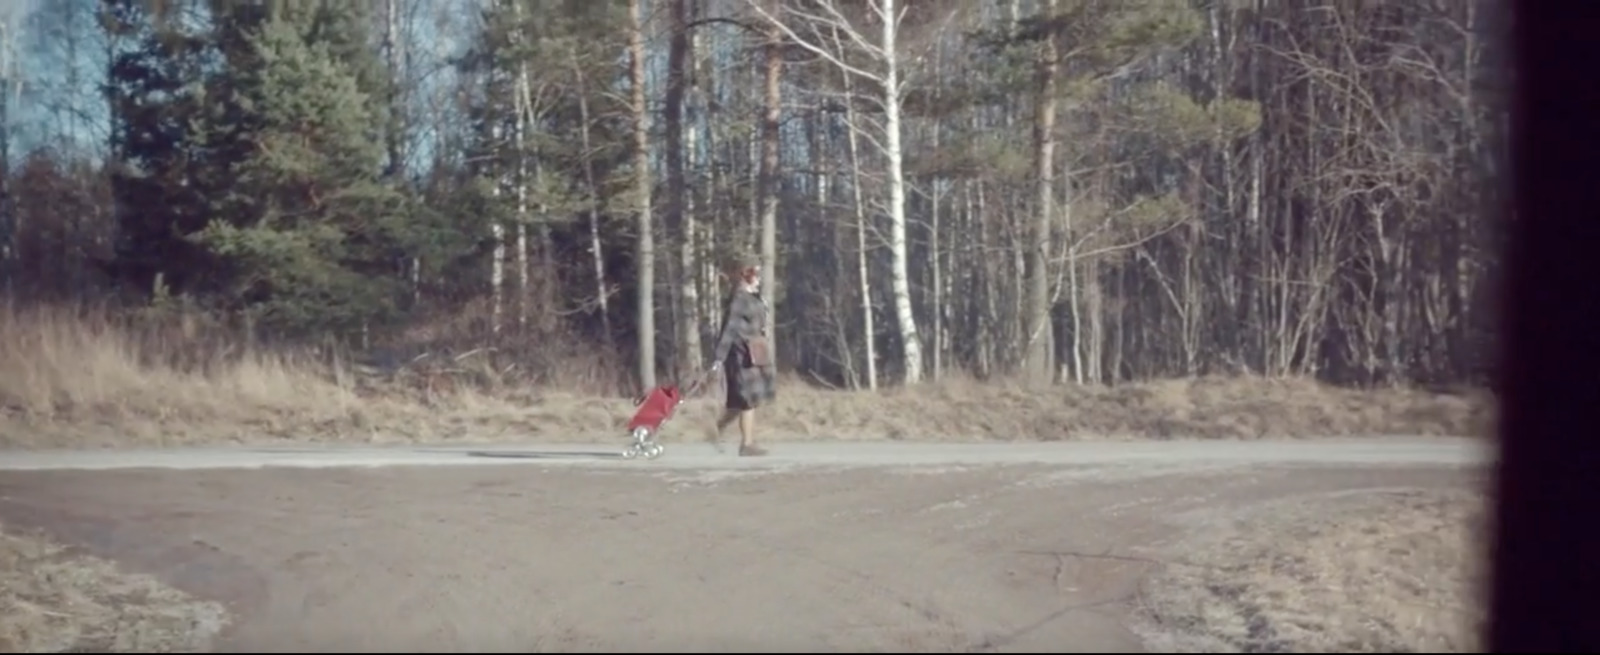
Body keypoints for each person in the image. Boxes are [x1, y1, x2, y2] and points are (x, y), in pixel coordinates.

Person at [709, 256, 776, 457]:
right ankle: (746, 445)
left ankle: (715, 429)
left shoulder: (753, 297)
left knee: (742, 401)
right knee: (747, 399)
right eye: (754, 273)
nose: (758, 278)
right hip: (739, 354)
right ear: (745, 275)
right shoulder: (738, 299)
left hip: (753, 352)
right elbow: (729, 328)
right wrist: (719, 357)